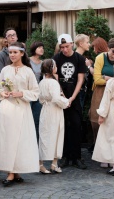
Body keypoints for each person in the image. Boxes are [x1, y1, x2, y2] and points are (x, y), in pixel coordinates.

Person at [0, 42, 40, 186]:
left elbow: (36, 93)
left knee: (21, 140)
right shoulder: (5, 70)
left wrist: (21, 93)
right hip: (7, 108)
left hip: (22, 109)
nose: (12, 55)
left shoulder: (28, 71)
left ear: (22, 53)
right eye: (10, 53)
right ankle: (10, 171)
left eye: (15, 52)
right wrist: (2, 92)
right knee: (8, 140)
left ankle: (16, 170)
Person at [53, 33, 87, 169]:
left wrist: (72, 97)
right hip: (61, 97)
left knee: (76, 125)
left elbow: (80, 79)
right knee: (64, 126)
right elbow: (56, 78)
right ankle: (65, 156)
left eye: (66, 46)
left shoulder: (79, 58)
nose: (65, 49)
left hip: (75, 97)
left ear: (72, 44)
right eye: (62, 47)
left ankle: (77, 156)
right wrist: (62, 95)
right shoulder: (56, 58)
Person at [88, 37, 114, 162]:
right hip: (100, 91)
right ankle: (99, 151)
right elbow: (97, 80)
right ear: (108, 49)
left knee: (113, 122)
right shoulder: (100, 58)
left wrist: (106, 77)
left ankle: (113, 151)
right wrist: (113, 78)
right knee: (96, 121)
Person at [38, 59, 69, 174]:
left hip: (45, 109)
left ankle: (41, 164)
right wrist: (66, 102)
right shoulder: (54, 83)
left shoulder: (41, 82)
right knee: (56, 134)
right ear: (52, 68)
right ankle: (53, 164)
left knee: (44, 135)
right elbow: (56, 99)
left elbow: (40, 99)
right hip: (54, 110)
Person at [29, 41, 43, 141]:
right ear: (34, 48)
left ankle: (36, 145)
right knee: (28, 119)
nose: (42, 49)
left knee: (37, 119)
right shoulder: (27, 61)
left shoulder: (43, 63)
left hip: (39, 94)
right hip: (28, 93)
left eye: (42, 47)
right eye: (39, 47)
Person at [74, 34, 93, 109]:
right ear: (81, 44)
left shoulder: (82, 58)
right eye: (87, 42)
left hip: (82, 91)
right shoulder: (76, 58)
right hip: (77, 91)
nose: (89, 44)